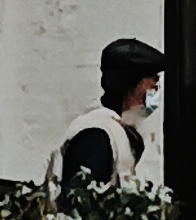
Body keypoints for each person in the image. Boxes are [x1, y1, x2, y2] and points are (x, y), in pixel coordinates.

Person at [50, 38, 163, 195]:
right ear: (130, 84)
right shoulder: (97, 135)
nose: (155, 92)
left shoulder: (120, 131)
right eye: (153, 84)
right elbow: (83, 203)